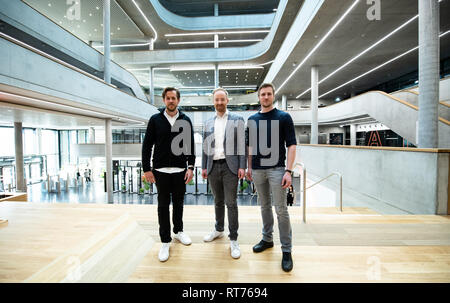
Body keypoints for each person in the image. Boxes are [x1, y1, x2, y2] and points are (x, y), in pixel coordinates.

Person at [246, 83, 297, 272]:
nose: (265, 97)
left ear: (273, 96)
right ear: (259, 97)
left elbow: (291, 145)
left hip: (277, 169)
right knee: (264, 206)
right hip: (258, 170)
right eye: (262, 94)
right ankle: (267, 239)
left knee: (281, 210)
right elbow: (249, 147)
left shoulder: (284, 117)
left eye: (268, 94)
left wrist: (288, 171)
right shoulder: (252, 119)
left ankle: (286, 250)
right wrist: (249, 167)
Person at [142, 87, 195, 262]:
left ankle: (178, 231)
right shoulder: (155, 119)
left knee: (179, 203)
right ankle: (165, 240)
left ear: (178, 100)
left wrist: (191, 167)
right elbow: (147, 145)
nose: (171, 101)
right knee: (163, 206)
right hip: (160, 171)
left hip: (180, 170)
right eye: (168, 98)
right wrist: (146, 169)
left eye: (174, 98)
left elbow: (190, 145)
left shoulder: (185, 120)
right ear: (164, 100)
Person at [201, 88, 246, 259]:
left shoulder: (237, 119)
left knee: (231, 203)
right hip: (213, 166)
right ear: (213, 101)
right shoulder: (208, 122)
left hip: (231, 167)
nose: (219, 102)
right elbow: (205, 147)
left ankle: (233, 238)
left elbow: (242, 144)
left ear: (227, 100)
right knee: (218, 201)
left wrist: (243, 165)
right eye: (216, 100)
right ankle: (219, 229)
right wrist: (204, 166)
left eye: (222, 99)